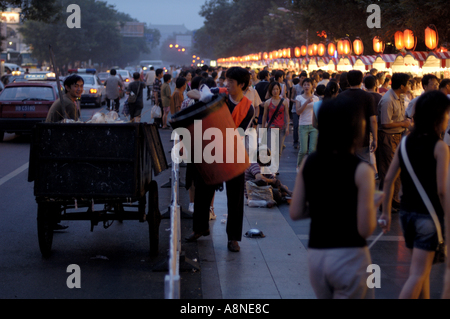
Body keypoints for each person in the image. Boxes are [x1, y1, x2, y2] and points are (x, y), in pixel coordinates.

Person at [290, 95, 383, 299]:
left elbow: (295, 212)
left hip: (316, 256)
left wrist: (323, 206)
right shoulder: (362, 171)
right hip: (350, 256)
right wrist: (373, 204)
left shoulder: (309, 163)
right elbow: (365, 228)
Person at [379, 91, 450, 299]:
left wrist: (385, 213)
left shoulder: (405, 142)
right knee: (418, 273)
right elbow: (442, 190)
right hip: (429, 217)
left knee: (422, 271)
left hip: (407, 215)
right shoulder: (440, 148)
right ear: (437, 118)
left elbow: (389, 179)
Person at [185, 67, 255, 253]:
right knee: (202, 190)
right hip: (212, 149)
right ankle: (200, 228)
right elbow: (191, 93)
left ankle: (233, 238)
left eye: (231, 82)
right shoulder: (217, 93)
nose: (227, 84)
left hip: (234, 152)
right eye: (226, 81)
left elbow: (239, 132)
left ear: (241, 85)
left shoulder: (249, 107)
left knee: (235, 197)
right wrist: (204, 97)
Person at [45, 74, 85, 230]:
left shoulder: (68, 101)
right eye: (76, 86)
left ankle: (53, 218)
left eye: (81, 86)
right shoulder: (67, 103)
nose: (79, 89)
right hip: (58, 148)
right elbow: (75, 130)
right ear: (67, 87)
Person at [377, 73, 412, 212]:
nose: (409, 86)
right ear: (402, 86)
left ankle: (395, 199)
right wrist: (403, 123)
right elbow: (385, 124)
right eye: (408, 83)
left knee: (397, 170)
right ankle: (384, 203)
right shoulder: (388, 100)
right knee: (387, 171)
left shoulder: (401, 96)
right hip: (388, 138)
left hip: (398, 135)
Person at [339, 70, 377, 166]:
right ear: (361, 81)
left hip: (345, 138)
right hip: (362, 137)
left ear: (348, 80)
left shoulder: (341, 96)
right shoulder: (368, 97)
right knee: (363, 165)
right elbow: (373, 120)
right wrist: (375, 139)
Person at [262, 81, 290, 157]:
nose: (275, 91)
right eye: (274, 89)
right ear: (271, 91)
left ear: (280, 90)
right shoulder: (268, 102)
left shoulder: (284, 102)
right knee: (271, 150)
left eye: (277, 89)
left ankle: (275, 167)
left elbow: (287, 115)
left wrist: (287, 127)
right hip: (271, 128)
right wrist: (263, 128)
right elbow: (264, 116)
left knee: (279, 151)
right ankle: (272, 167)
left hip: (282, 128)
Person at [295, 78, 319, 168]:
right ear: (302, 86)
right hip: (303, 125)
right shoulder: (299, 98)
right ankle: (299, 166)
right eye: (304, 85)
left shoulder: (316, 98)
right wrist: (306, 102)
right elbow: (298, 112)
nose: (306, 86)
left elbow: (317, 111)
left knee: (312, 150)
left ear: (312, 86)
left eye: (308, 84)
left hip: (313, 125)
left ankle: (310, 167)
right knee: (303, 150)